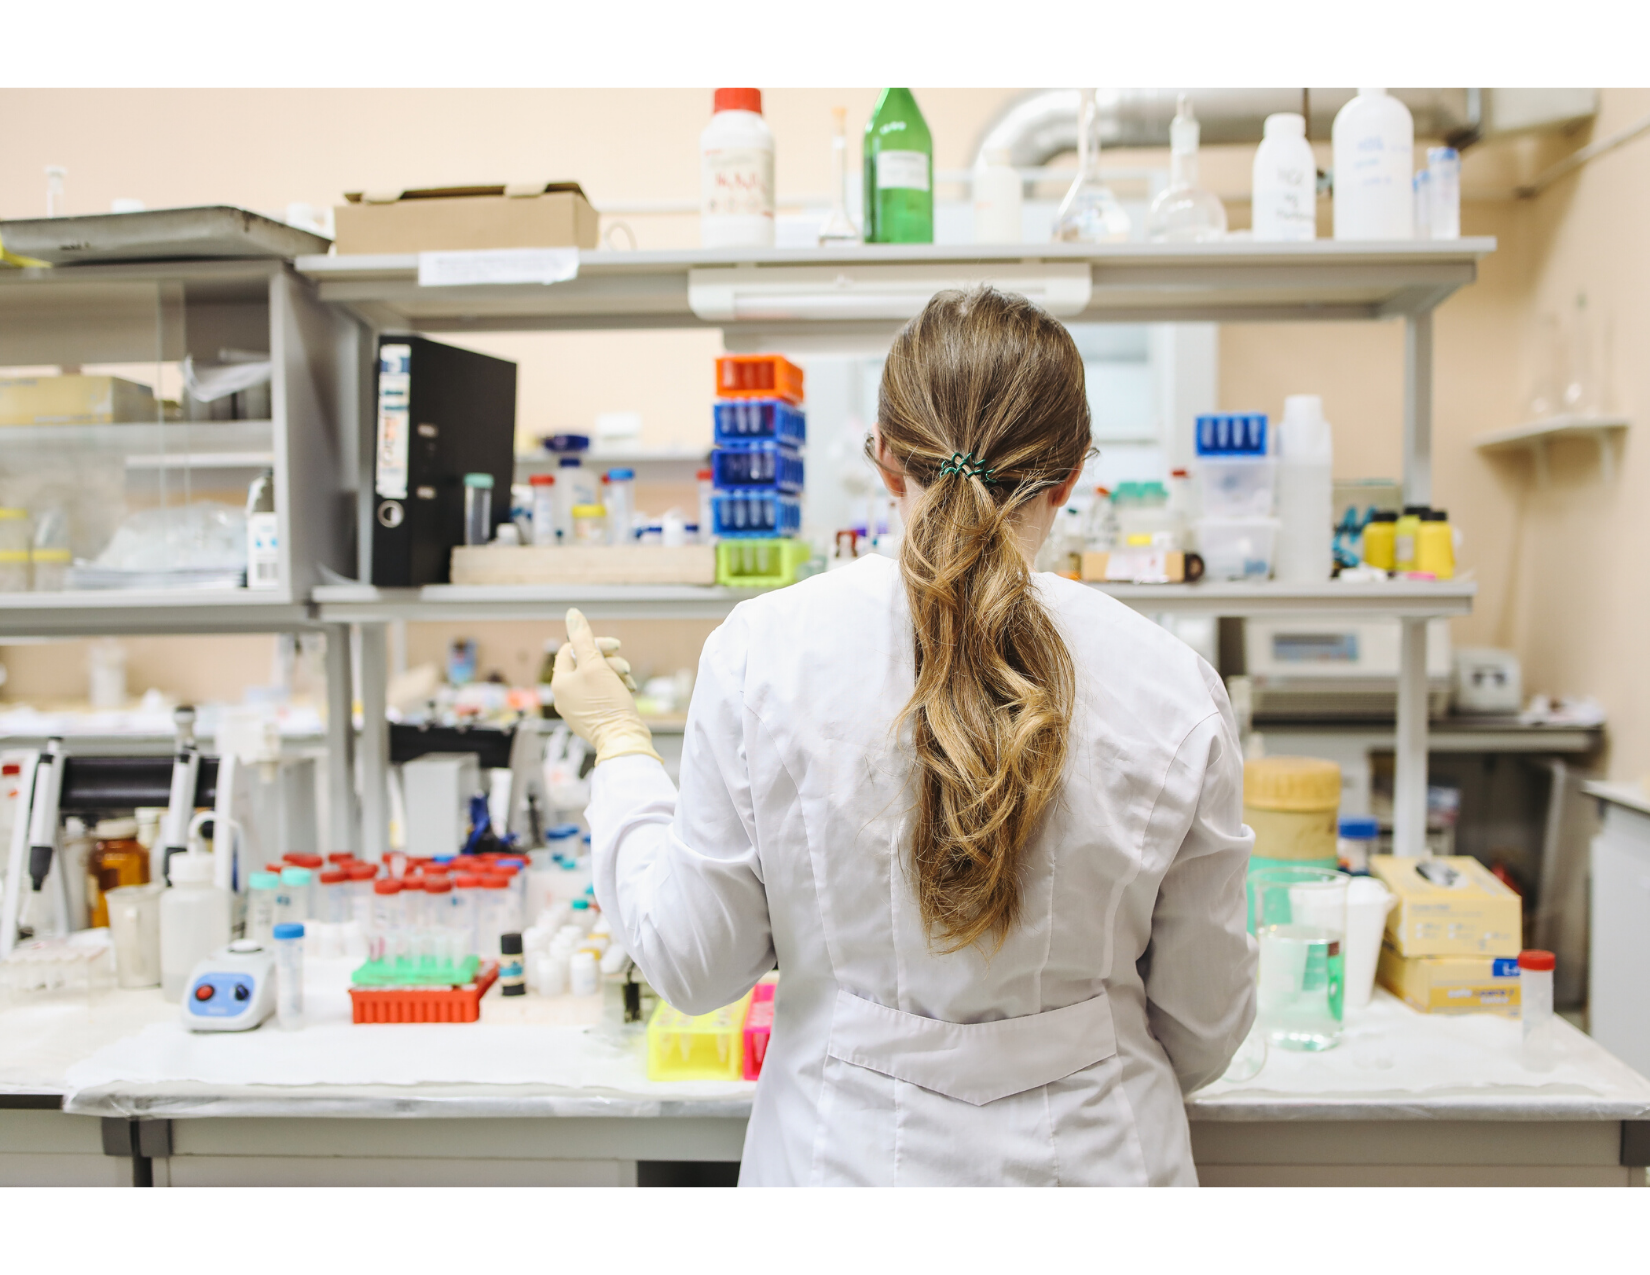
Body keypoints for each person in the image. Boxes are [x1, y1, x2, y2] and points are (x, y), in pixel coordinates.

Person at [553, 286, 1256, 1187]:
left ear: (886, 460)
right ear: (1071, 477)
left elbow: (695, 963)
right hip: (1099, 1165)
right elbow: (1204, 1022)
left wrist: (618, 740)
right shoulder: (1172, 684)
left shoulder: (765, 653)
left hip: (838, 1168)